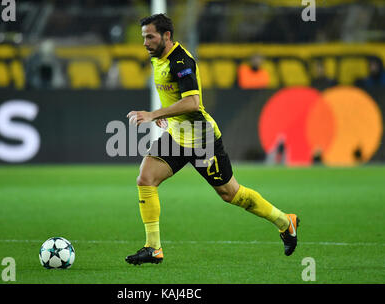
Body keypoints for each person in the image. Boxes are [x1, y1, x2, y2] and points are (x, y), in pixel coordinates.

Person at [125, 14, 299, 265]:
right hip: (177, 136)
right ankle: (153, 248)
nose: (145, 42)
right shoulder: (157, 57)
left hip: (201, 138)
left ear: (166, 36)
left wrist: (154, 114)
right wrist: (165, 114)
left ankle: (285, 221)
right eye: (143, 37)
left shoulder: (181, 61)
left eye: (150, 37)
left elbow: (193, 102)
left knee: (230, 193)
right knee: (146, 177)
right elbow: (173, 96)